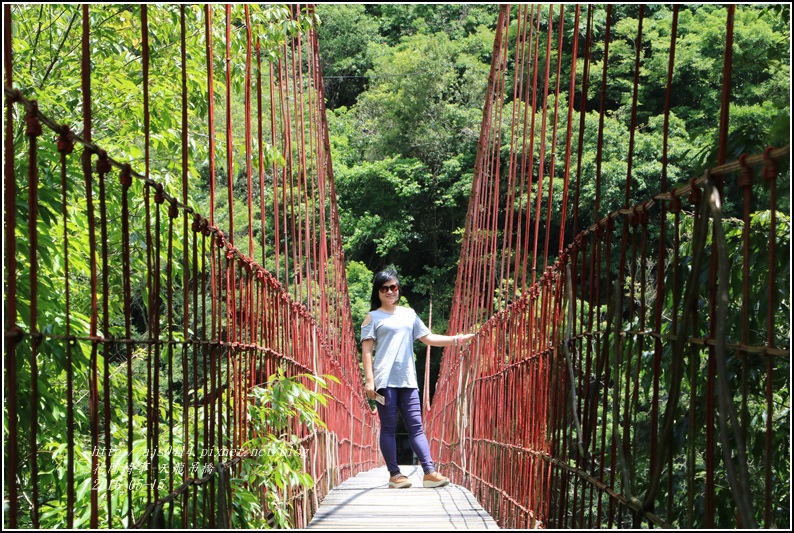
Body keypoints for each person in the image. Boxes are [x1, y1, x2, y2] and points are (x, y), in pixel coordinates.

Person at [360, 268, 475, 489]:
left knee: (417, 427)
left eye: (393, 287)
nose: (390, 292)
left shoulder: (409, 314)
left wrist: (458, 340)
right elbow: (367, 350)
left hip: (408, 380)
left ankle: (429, 472)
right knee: (388, 428)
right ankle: (395, 475)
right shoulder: (372, 317)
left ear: (398, 288)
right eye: (385, 288)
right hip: (385, 381)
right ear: (378, 292)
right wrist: (369, 380)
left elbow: (428, 338)